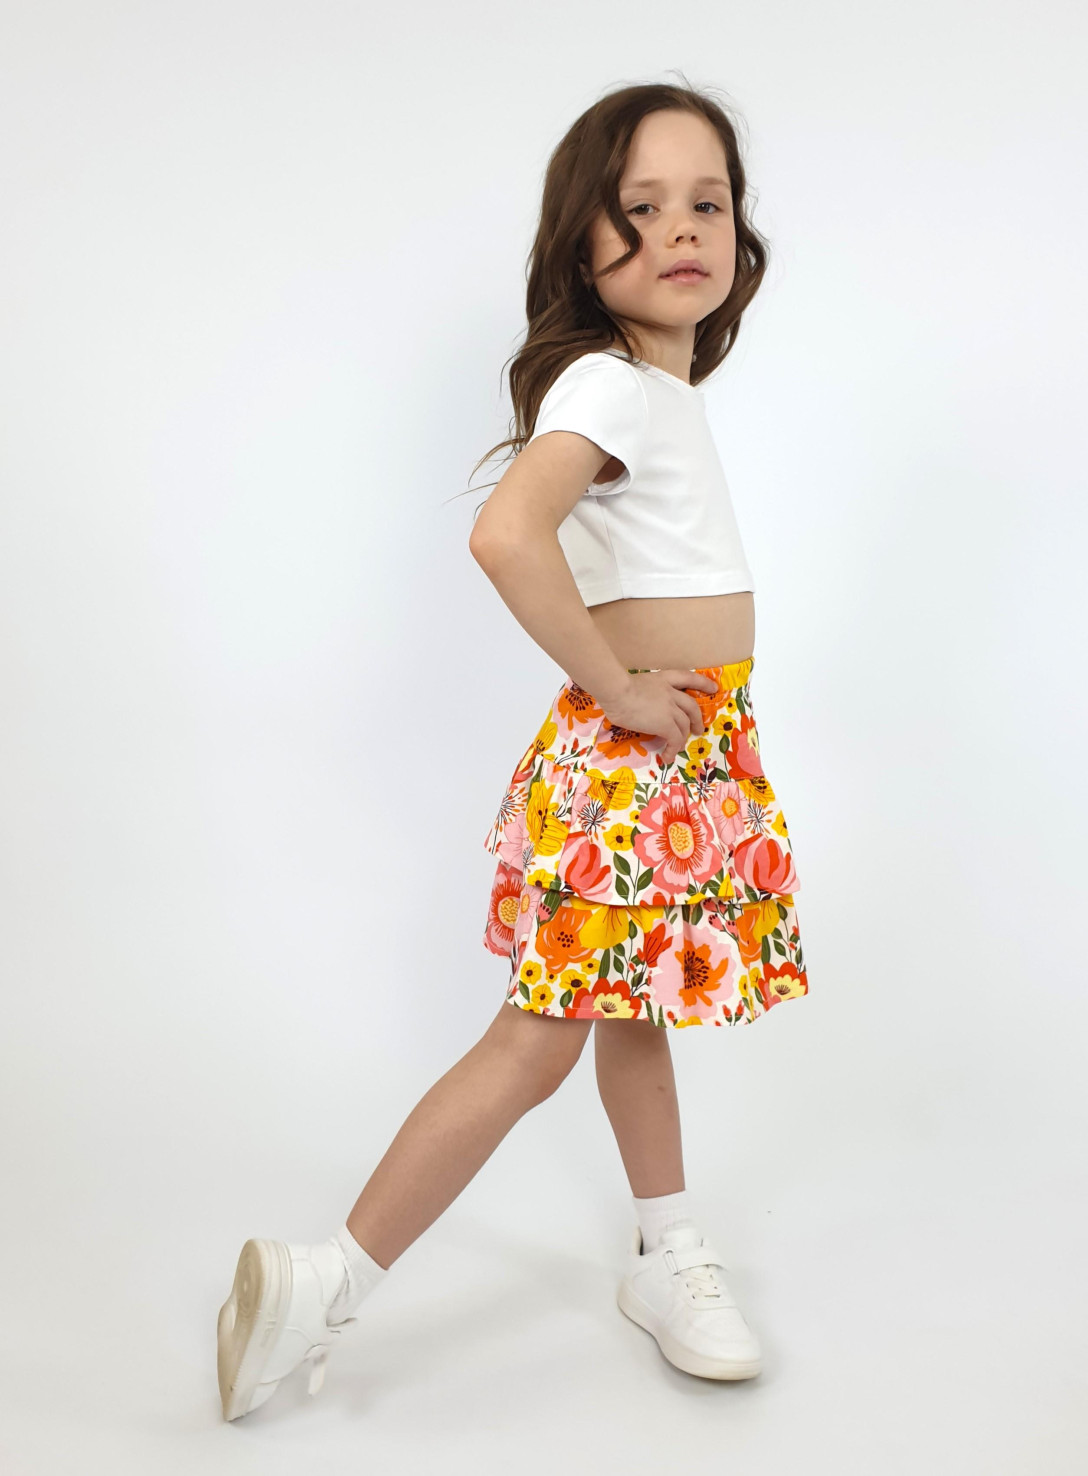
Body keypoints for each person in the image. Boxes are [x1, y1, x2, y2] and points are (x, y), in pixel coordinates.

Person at [216, 79, 809, 1422]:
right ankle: (328, 1280)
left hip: (681, 755)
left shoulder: (658, 392)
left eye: (708, 202)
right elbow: (503, 535)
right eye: (640, 206)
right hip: (632, 762)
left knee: (634, 1011)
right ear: (581, 245)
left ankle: (663, 1249)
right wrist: (617, 686)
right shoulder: (609, 382)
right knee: (539, 1040)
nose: (683, 228)